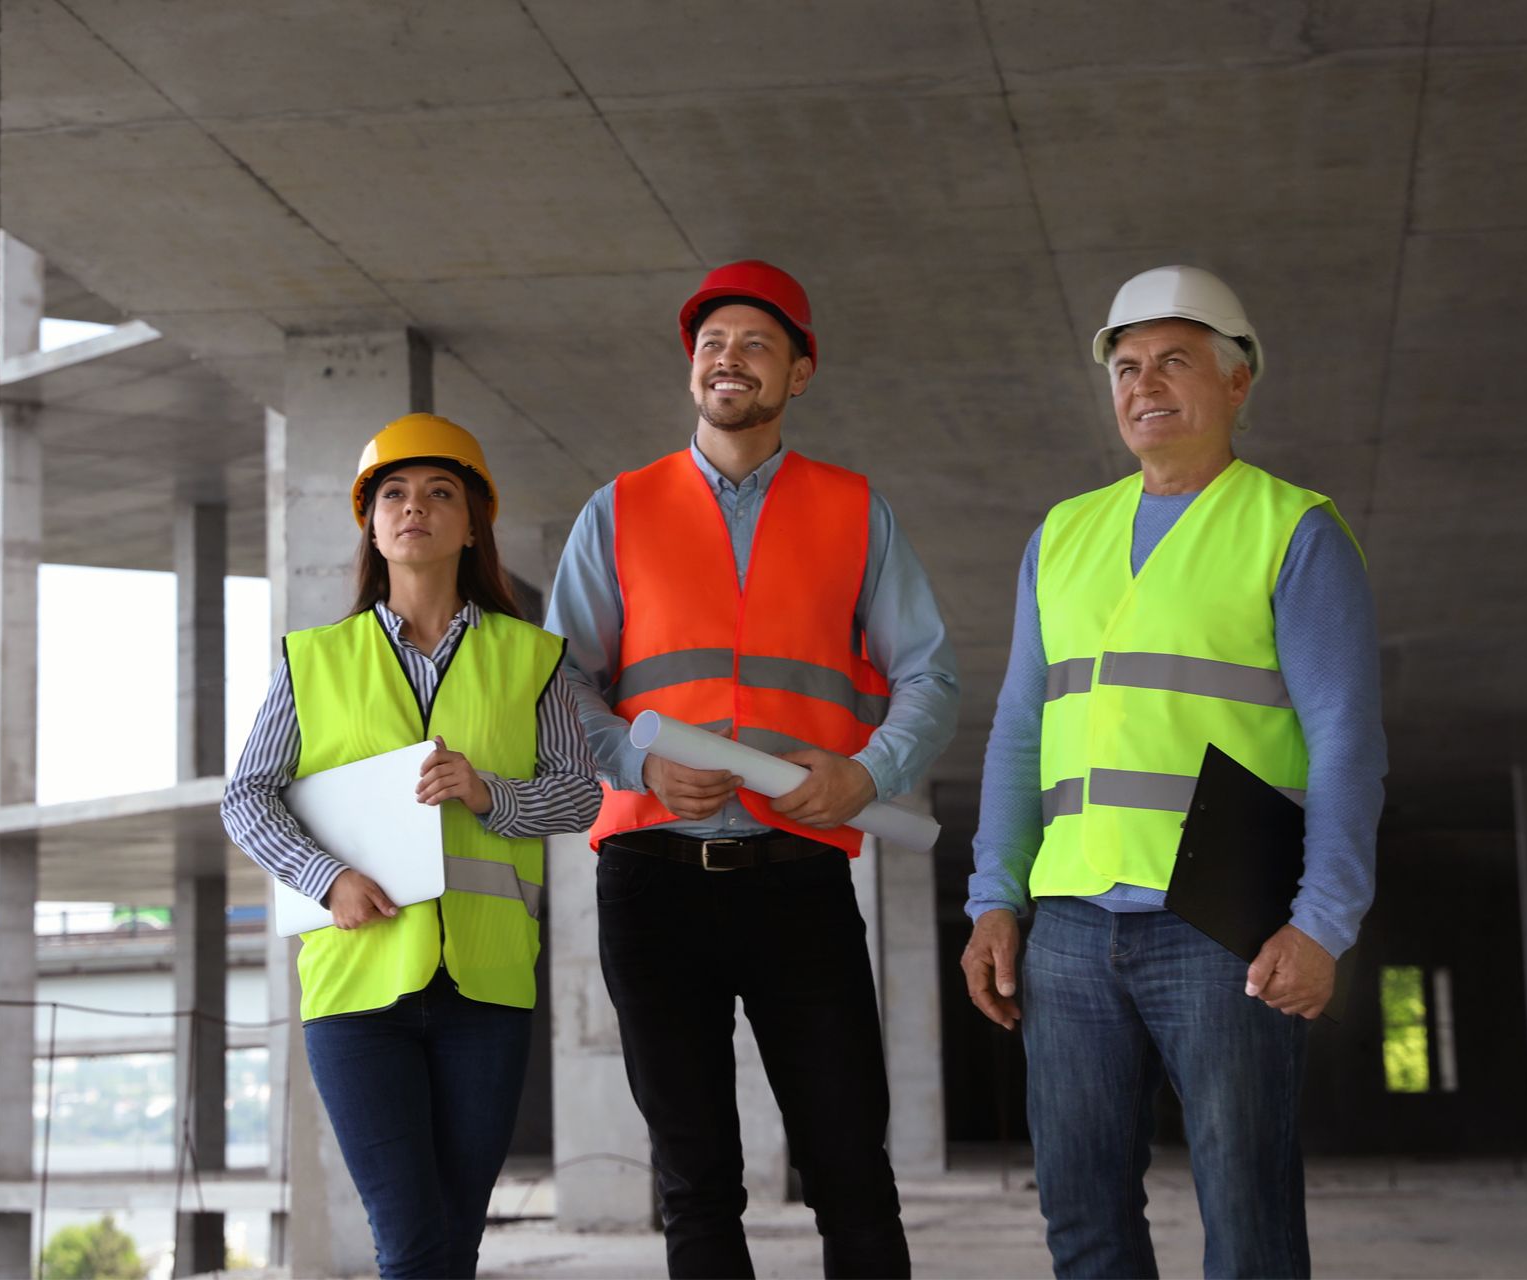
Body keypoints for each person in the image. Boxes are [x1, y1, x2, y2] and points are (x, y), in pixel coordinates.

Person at [960, 266, 1386, 1279]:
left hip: (1222, 919)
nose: (1145, 384)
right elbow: (1022, 726)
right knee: (1081, 1213)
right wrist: (994, 895)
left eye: (1175, 361)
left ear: (1238, 383)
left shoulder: (1293, 528)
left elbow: (1345, 739)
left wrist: (1324, 920)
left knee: (1247, 1218)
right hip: (1065, 922)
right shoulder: (1062, 533)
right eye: (1127, 365)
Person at [545, 259, 959, 1279]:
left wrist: (866, 773)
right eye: (711, 344)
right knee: (695, 1184)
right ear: (692, 368)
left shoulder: (855, 508)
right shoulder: (620, 508)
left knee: (850, 1169)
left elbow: (930, 674)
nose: (728, 360)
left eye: (756, 343)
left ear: (800, 372)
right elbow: (561, 687)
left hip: (798, 877)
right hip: (651, 884)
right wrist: (635, 765)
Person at [221, 412, 600, 1279]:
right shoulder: (313, 660)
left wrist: (490, 793)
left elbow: (580, 792)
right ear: (372, 523)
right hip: (356, 992)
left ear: (472, 526)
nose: (414, 507)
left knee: (450, 1246)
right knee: (413, 1244)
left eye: (440, 493)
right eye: (392, 493)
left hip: (487, 990)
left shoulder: (532, 658)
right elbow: (246, 797)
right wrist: (327, 878)